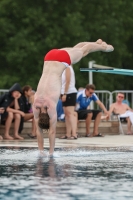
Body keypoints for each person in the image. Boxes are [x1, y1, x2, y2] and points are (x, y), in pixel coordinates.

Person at [32, 39, 114, 156]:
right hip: (49, 57)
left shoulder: (50, 107)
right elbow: (39, 131)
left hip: (61, 60)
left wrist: (50, 153)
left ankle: (103, 47)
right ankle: (96, 42)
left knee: (84, 51)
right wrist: (40, 151)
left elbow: (51, 132)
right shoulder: (36, 104)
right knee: (75, 49)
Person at [60, 65, 78, 140]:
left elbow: (68, 81)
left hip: (70, 92)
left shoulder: (67, 67)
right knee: (67, 115)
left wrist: (65, 93)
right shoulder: (62, 69)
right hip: (64, 92)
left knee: (70, 114)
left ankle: (74, 134)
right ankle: (68, 134)